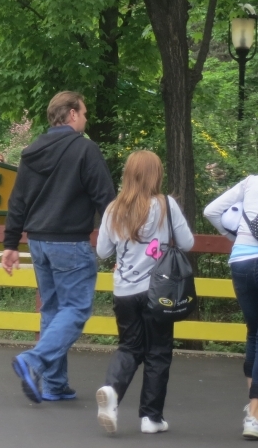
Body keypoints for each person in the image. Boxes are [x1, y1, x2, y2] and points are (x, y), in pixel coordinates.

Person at [3, 91, 116, 402]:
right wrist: (120, 245)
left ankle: (54, 383)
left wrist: (11, 243)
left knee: (52, 309)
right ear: (72, 114)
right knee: (76, 308)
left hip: (38, 242)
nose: (86, 119)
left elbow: (18, 201)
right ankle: (33, 361)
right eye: (84, 113)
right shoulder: (85, 150)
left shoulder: (31, 152)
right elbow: (106, 200)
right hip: (70, 242)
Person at [95, 150, 194, 434]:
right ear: (156, 174)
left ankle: (112, 390)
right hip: (158, 291)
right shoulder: (166, 205)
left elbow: (102, 251)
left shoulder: (113, 209)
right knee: (158, 352)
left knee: (129, 347)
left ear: (128, 174)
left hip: (124, 291)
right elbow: (187, 243)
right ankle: (151, 418)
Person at [205, 173, 258, 438]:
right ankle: (255, 415)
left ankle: (252, 406)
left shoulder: (250, 183)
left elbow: (210, 211)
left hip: (241, 261)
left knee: (254, 332)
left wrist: (232, 235)